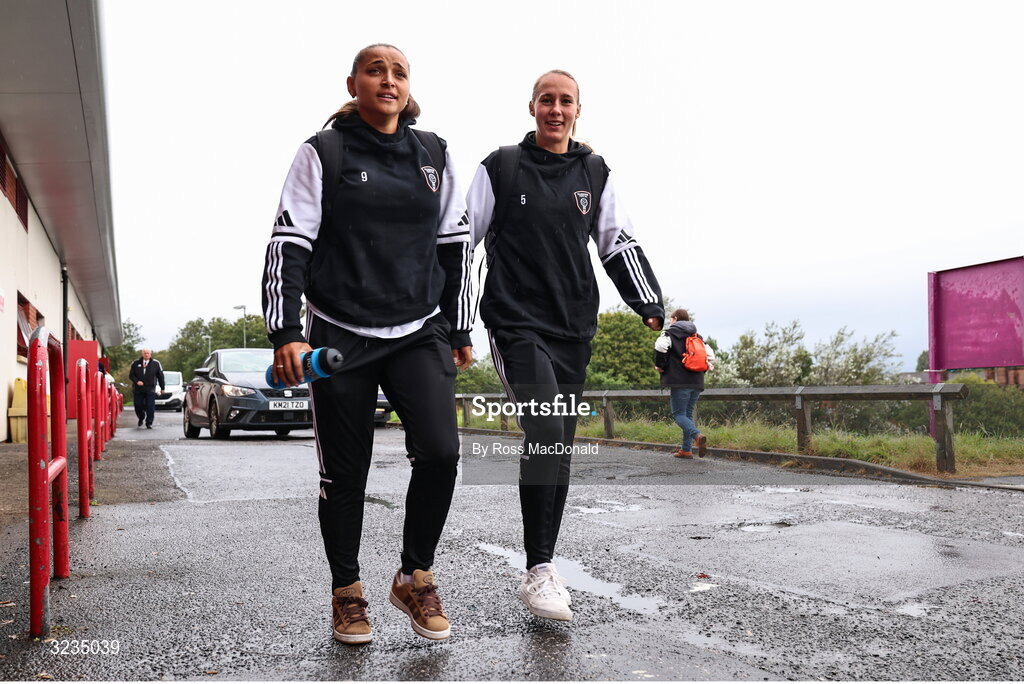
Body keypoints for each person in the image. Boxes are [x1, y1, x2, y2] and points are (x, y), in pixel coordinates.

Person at [261, 44, 472, 645]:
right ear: (353, 82)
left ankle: (414, 574)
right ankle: (347, 593)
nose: (388, 79)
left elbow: (457, 246)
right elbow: (288, 244)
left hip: (417, 328)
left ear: (409, 87)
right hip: (338, 334)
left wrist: (458, 327)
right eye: (375, 70)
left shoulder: (435, 153)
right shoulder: (322, 152)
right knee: (343, 473)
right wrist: (288, 333)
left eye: (398, 72)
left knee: (440, 452)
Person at [466, 69, 665, 622]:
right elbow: (462, 241)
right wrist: (456, 323)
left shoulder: (595, 172)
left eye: (566, 101)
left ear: (579, 110)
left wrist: (648, 302)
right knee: (547, 427)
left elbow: (617, 241)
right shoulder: (501, 166)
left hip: (573, 325)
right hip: (515, 321)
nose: (556, 109)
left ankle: (544, 567)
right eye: (546, 100)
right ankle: (537, 569)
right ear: (531, 106)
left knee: (559, 447)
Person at [654, 309, 714, 458]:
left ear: (675, 319)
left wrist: (660, 365)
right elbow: (711, 356)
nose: (670, 322)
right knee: (687, 415)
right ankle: (686, 450)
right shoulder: (697, 336)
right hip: (697, 381)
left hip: (679, 381)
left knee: (678, 414)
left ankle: (697, 437)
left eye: (671, 319)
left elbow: (660, 347)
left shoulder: (669, 334)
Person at [128, 349, 164, 429]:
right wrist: (137, 381)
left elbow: (160, 376)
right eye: (145, 353)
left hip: (150, 389)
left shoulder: (156, 363)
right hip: (138, 389)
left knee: (150, 406)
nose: (146, 354)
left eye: (148, 353)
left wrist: (162, 388)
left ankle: (149, 423)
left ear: (150, 354)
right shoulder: (136, 363)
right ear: (142, 354)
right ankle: (141, 417)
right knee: (138, 405)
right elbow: (131, 375)